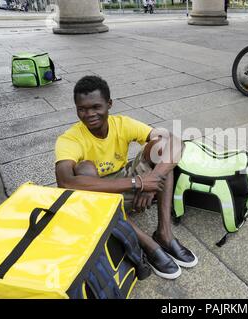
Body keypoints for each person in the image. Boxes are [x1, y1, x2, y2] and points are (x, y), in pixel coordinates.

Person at [55, 76, 198, 280]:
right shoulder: (70, 138)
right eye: (82, 109)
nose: (89, 114)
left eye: (96, 107)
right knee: (84, 168)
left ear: (109, 104)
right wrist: (138, 182)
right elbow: (66, 182)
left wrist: (152, 180)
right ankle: (148, 244)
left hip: (127, 186)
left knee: (162, 150)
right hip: (99, 200)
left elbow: (175, 141)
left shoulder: (122, 124)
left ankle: (164, 233)